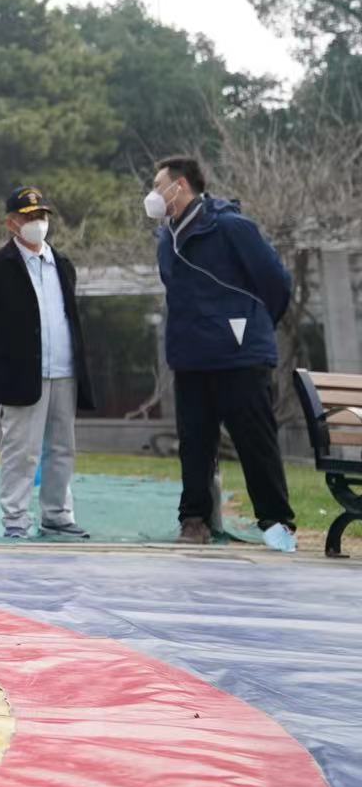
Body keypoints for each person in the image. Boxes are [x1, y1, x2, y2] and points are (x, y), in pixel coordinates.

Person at [147, 156, 298, 552]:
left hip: (239, 355)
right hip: (191, 356)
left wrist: (251, 325)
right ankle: (193, 519)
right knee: (194, 442)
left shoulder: (231, 226)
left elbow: (275, 281)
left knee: (255, 440)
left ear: (180, 186)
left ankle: (276, 520)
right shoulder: (167, 237)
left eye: (158, 184)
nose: (154, 193)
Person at [0, 186, 93, 541]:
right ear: (11, 223)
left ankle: (57, 514)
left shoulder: (63, 265)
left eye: (41, 216)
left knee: (62, 447)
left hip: (65, 370)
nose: (37, 223)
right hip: (23, 373)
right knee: (21, 451)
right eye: (28, 217)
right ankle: (16, 520)